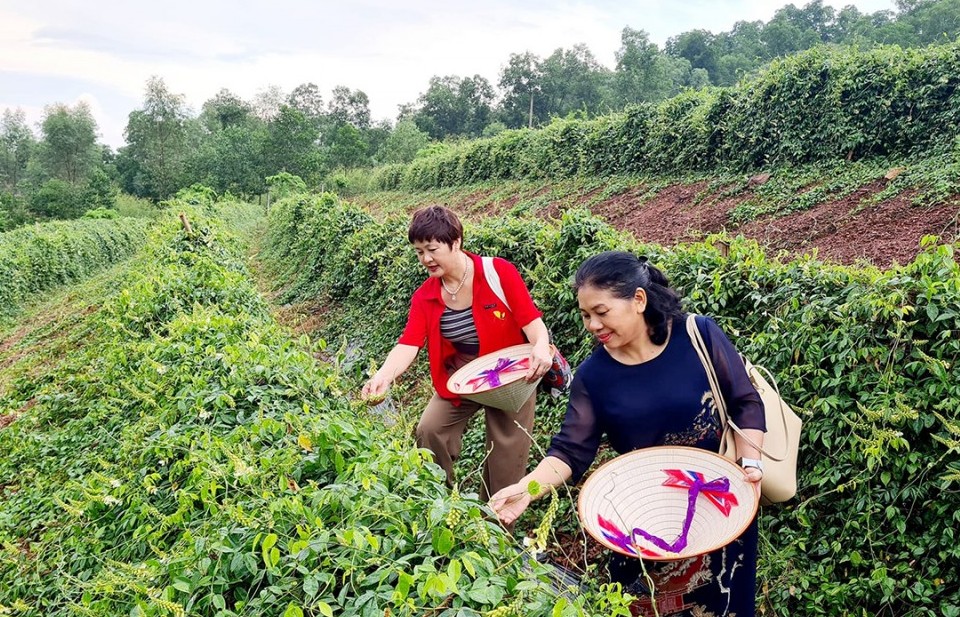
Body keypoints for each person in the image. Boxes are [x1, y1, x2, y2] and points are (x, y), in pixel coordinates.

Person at [489, 251, 766, 617]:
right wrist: (528, 489)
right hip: (644, 518)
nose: (592, 325)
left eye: (601, 313)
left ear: (638, 300)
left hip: (718, 507)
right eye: (586, 315)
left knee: (726, 602)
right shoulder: (594, 377)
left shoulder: (697, 336)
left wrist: (750, 465)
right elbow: (570, 450)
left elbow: (745, 402)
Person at [362, 205, 553, 502]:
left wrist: (541, 345)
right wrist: (384, 375)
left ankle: (496, 526)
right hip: (462, 375)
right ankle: (442, 502)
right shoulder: (425, 295)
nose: (425, 258)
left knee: (506, 456)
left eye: (432, 249)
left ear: (456, 241)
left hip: (511, 375)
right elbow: (409, 342)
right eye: (418, 252)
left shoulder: (497, 272)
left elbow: (531, 322)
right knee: (430, 430)